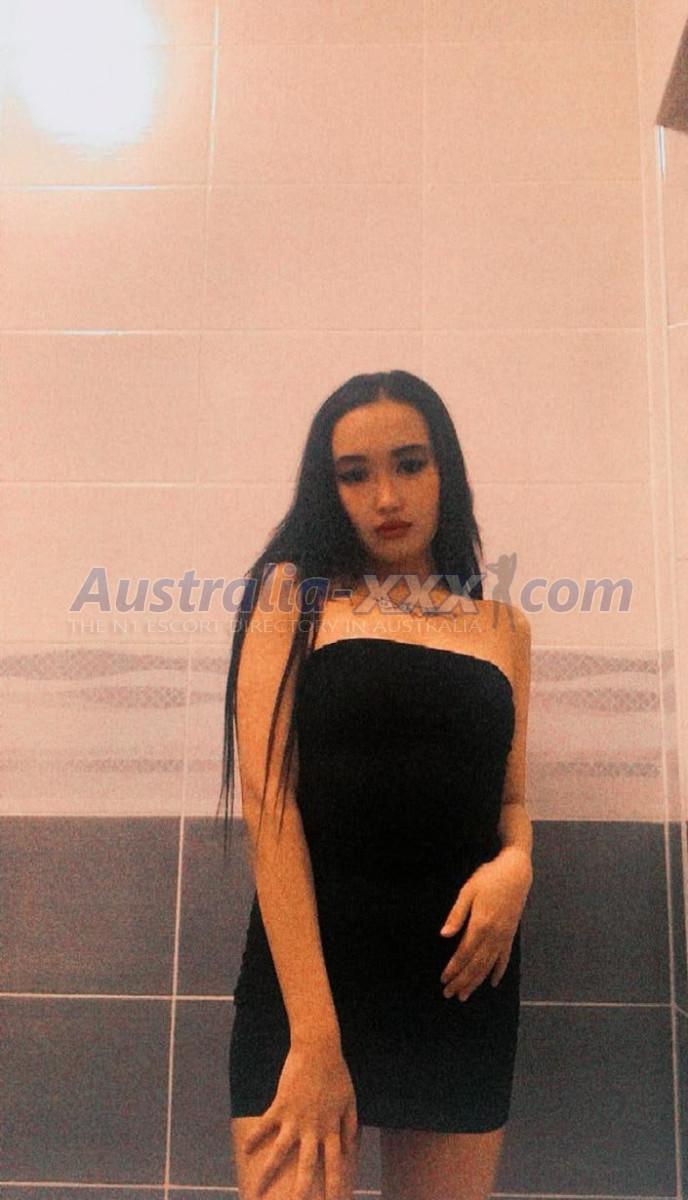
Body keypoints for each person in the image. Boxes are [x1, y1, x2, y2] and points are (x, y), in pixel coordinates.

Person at [218, 370, 533, 1200]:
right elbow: (269, 806)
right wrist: (316, 1040)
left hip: (461, 983)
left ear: (445, 472)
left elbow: (510, 800)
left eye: (410, 464)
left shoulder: (504, 628)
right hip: (308, 989)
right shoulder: (294, 596)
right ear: (329, 490)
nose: (385, 496)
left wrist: (518, 863)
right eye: (354, 474)